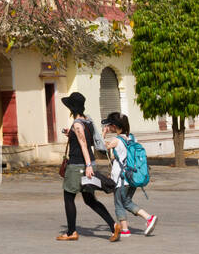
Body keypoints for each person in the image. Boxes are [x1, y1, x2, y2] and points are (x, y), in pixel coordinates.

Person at [57, 91, 120, 242]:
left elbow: (84, 145)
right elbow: (86, 140)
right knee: (90, 200)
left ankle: (72, 231)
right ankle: (113, 225)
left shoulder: (78, 124)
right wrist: (70, 134)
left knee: (68, 197)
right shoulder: (88, 121)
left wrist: (87, 166)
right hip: (87, 164)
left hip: (78, 165)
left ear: (72, 108)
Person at [103, 112, 157, 237]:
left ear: (115, 126)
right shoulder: (132, 138)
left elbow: (102, 148)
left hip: (121, 178)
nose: (109, 127)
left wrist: (103, 134)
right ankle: (137, 223)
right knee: (126, 202)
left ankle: (141, 222)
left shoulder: (116, 140)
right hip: (132, 177)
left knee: (118, 203)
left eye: (110, 125)